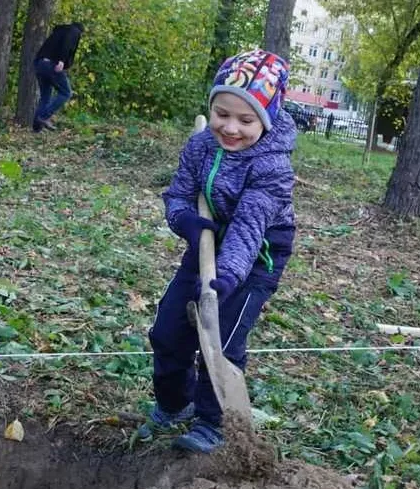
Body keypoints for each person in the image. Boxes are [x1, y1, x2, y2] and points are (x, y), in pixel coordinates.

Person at [139, 49, 297, 454]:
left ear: (267, 118)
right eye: (221, 113)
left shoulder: (272, 166)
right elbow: (177, 195)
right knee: (168, 329)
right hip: (207, 241)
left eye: (246, 120)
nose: (230, 128)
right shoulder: (199, 147)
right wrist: (185, 220)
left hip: (255, 255)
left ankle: (214, 422)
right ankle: (176, 403)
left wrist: (226, 276)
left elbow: (248, 227)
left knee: (221, 335)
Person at [32, 22, 84, 132]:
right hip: (52, 64)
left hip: (39, 63)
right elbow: (67, 44)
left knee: (45, 97)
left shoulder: (59, 32)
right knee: (66, 92)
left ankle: (36, 129)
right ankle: (44, 116)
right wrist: (61, 60)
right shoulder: (73, 31)